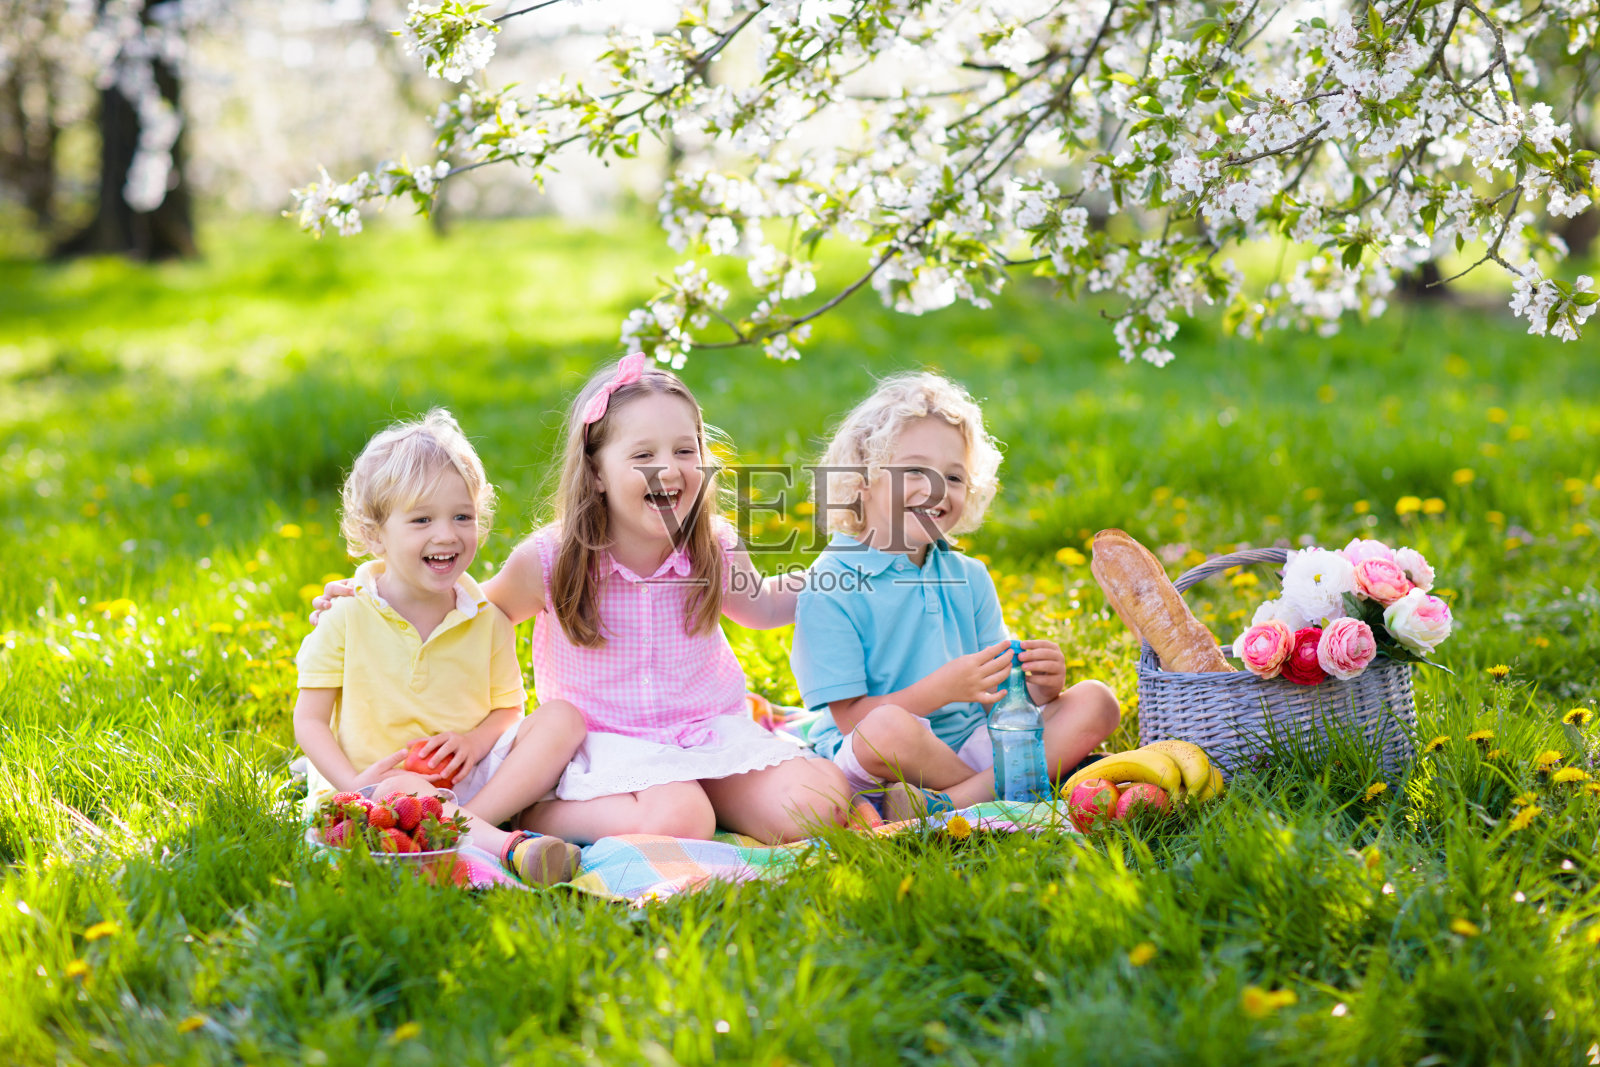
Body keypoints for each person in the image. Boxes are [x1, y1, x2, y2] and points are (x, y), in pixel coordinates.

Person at [314, 355, 852, 844]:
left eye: (685, 450)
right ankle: (525, 811)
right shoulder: (551, 559)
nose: (669, 469)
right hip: (604, 749)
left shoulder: (711, 546)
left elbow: (765, 606)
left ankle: (702, 799)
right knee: (682, 821)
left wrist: (846, 568)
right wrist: (371, 594)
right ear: (596, 473)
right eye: (643, 454)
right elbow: (473, 612)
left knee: (820, 804)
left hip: (706, 734)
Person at [789, 372, 1121, 819]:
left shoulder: (969, 576)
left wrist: (1039, 689)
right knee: (887, 728)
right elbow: (851, 719)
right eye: (914, 470)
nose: (937, 489)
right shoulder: (832, 583)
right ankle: (1010, 788)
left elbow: (998, 692)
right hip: (879, 757)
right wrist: (941, 690)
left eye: (954, 476)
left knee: (1097, 701)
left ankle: (952, 803)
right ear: (862, 478)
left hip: (970, 744)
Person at [294, 409, 584, 885]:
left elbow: (508, 710)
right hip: (383, 788)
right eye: (422, 519)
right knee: (404, 784)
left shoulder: (486, 618)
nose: (447, 534)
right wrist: (354, 786)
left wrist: (474, 742)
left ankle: (465, 823)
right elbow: (309, 720)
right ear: (374, 533)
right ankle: (510, 847)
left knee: (564, 719)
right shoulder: (345, 615)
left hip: (473, 779)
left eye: (462, 516)